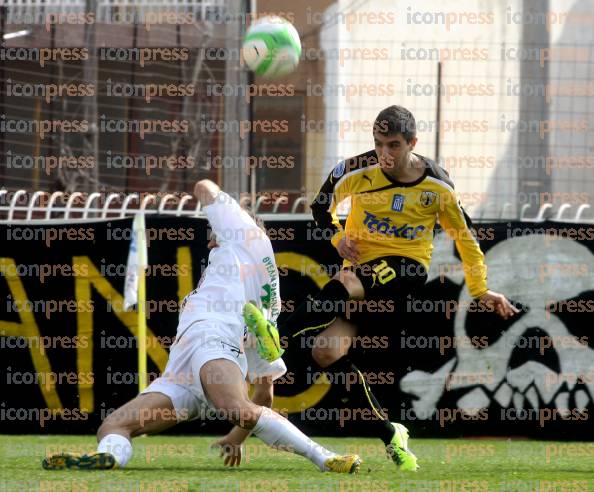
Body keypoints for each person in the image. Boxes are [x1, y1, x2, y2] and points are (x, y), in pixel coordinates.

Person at [246, 105, 519, 471]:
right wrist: (338, 238)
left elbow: (465, 239)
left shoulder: (437, 184)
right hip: (360, 274)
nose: (385, 154)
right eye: (379, 144)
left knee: (347, 281)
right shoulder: (357, 169)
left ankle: (275, 334)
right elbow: (320, 206)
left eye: (393, 145)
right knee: (325, 353)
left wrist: (481, 288)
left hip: (406, 270)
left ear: (412, 143)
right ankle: (391, 433)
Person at [42, 179, 361, 474]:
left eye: (212, 232)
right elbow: (264, 391)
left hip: (214, 341)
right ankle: (109, 456)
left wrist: (217, 201)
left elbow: (203, 186)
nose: (209, 242)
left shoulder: (242, 233)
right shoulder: (267, 299)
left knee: (234, 406)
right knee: (113, 425)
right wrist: (236, 439)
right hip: (182, 376)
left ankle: (326, 457)